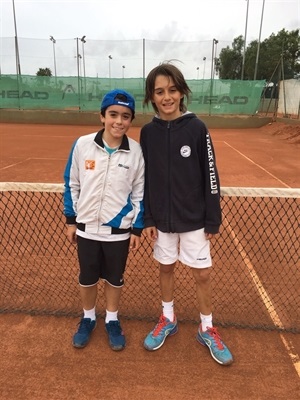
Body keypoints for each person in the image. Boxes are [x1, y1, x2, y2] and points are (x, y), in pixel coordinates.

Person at [140, 62, 233, 365]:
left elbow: (210, 173)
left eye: (172, 90)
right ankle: (168, 318)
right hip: (162, 220)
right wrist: (149, 219)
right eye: (159, 92)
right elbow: (146, 178)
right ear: (152, 97)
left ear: (181, 92)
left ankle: (207, 327)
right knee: (165, 268)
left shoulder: (197, 128)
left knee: (202, 274)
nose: (167, 97)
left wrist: (212, 217)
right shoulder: (148, 133)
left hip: (194, 218)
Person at [63, 89, 144, 351]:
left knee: (114, 279)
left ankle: (111, 319)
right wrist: (71, 220)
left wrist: (136, 229)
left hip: (118, 232)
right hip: (86, 229)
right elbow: (71, 183)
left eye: (125, 116)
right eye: (113, 115)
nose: (118, 121)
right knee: (87, 278)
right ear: (102, 116)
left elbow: (140, 193)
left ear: (130, 120)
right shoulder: (83, 144)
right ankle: (88, 318)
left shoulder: (136, 152)